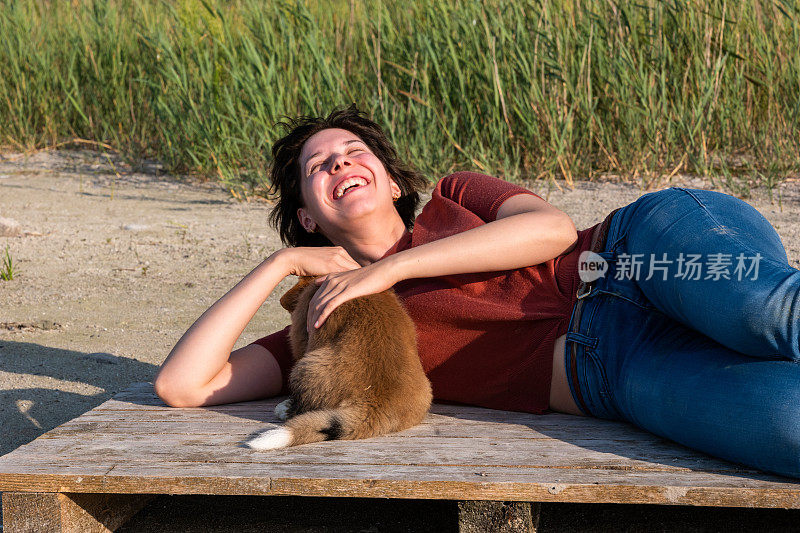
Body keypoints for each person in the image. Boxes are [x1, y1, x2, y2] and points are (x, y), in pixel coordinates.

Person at [154, 104, 800, 479]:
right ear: (307, 214)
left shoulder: (458, 194)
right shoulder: (331, 321)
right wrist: (280, 264)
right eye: (319, 167)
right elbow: (182, 386)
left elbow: (548, 230)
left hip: (641, 252)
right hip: (613, 373)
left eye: (355, 151)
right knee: (783, 421)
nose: (342, 163)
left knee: (761, 311)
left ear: (388, 175)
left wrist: (391, 269)